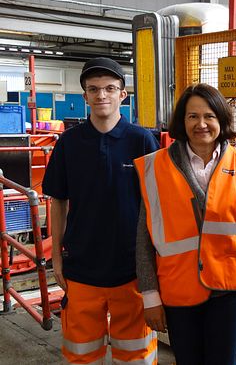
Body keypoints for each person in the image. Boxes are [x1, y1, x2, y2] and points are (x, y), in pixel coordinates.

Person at [43, 57, 159, 364]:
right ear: (84, 96)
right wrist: (56, 257)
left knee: (136, 356)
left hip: (132, 270)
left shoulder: (142, 141)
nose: (101, 95)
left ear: (123, 94)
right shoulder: (69, 143)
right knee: (82, 355)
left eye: (110, 88)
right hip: (81, 268)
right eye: (93, 89)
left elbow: (157, 207)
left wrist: (156, 263)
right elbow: (58, 201)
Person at [134, 83, 236, 364]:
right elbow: (143, 236)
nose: (201, 124)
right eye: (192, 116)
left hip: (229, 289)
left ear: (221, 120)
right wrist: (150, 295)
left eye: (209, 116)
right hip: (178, 288)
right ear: (182, 121)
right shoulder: (155, 167)